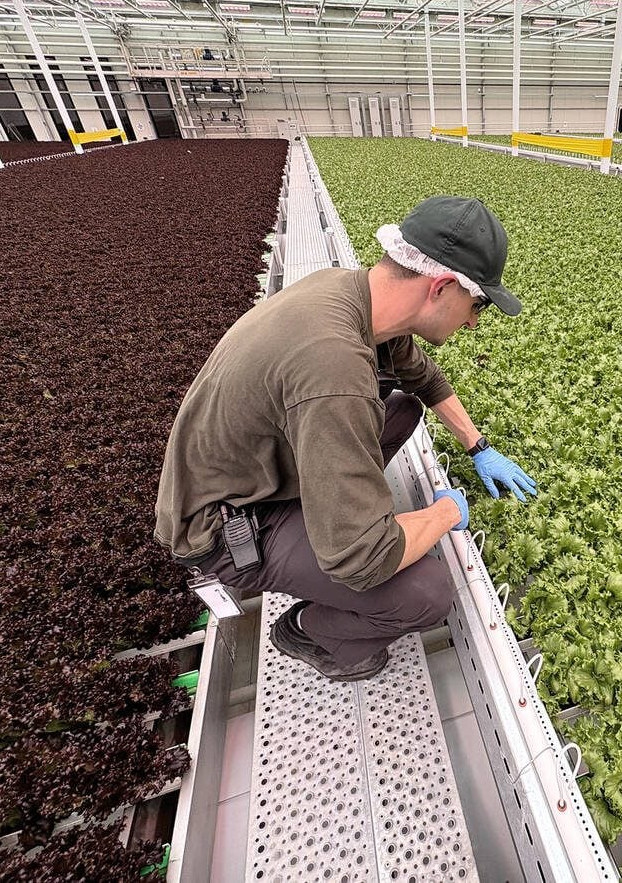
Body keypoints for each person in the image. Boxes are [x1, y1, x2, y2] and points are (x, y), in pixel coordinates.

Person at [154, 196, 537, 682]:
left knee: (401, 410)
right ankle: (312, 631)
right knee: (426, 593)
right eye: (476, 304)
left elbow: (424, 379)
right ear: (440, 287)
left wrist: (479, 448)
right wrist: (446, 512)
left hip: (250, 470)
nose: (473, 321)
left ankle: (331, 519)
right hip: (221, 529)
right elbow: (364, 560)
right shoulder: (334, 369)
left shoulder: (356, 295)